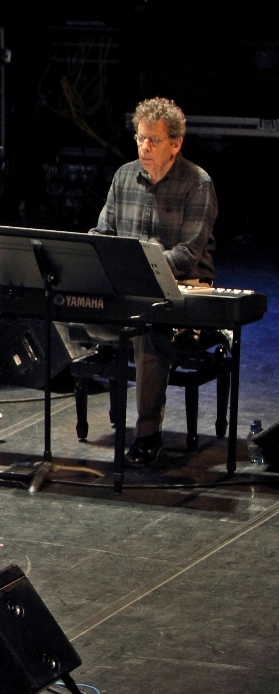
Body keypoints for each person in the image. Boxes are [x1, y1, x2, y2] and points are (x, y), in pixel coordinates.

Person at [90, 97, 218, 465]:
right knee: (64, 302)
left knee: (150, 326)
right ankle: (100, 356)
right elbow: (103, 231)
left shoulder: (198, 183)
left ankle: (147, 434)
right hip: (129, 286)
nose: (144, 147)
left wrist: (138, 267)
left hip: (183, 289)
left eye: (154, 140)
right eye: (140, 138)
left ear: (176, 144)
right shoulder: (124, 176)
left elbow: (188, 254)